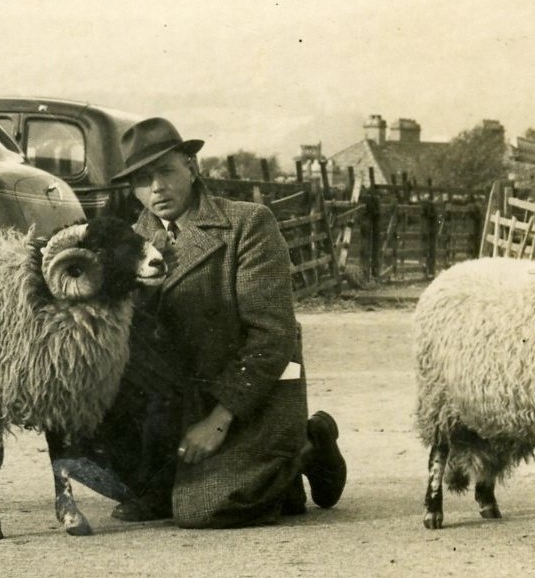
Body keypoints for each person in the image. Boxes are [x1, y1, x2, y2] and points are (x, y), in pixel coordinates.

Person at [59, 117, 346, 528]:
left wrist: (218, 420)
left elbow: (272, 336)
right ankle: (200, 482)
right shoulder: (131, 242)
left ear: (192, 168)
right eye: (142, 179)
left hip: (248, 399)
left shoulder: (247, 224)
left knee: (202, 509)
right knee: (85, 452)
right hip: (173, 406)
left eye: (166, 171)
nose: (156, 188)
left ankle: (307, 446)